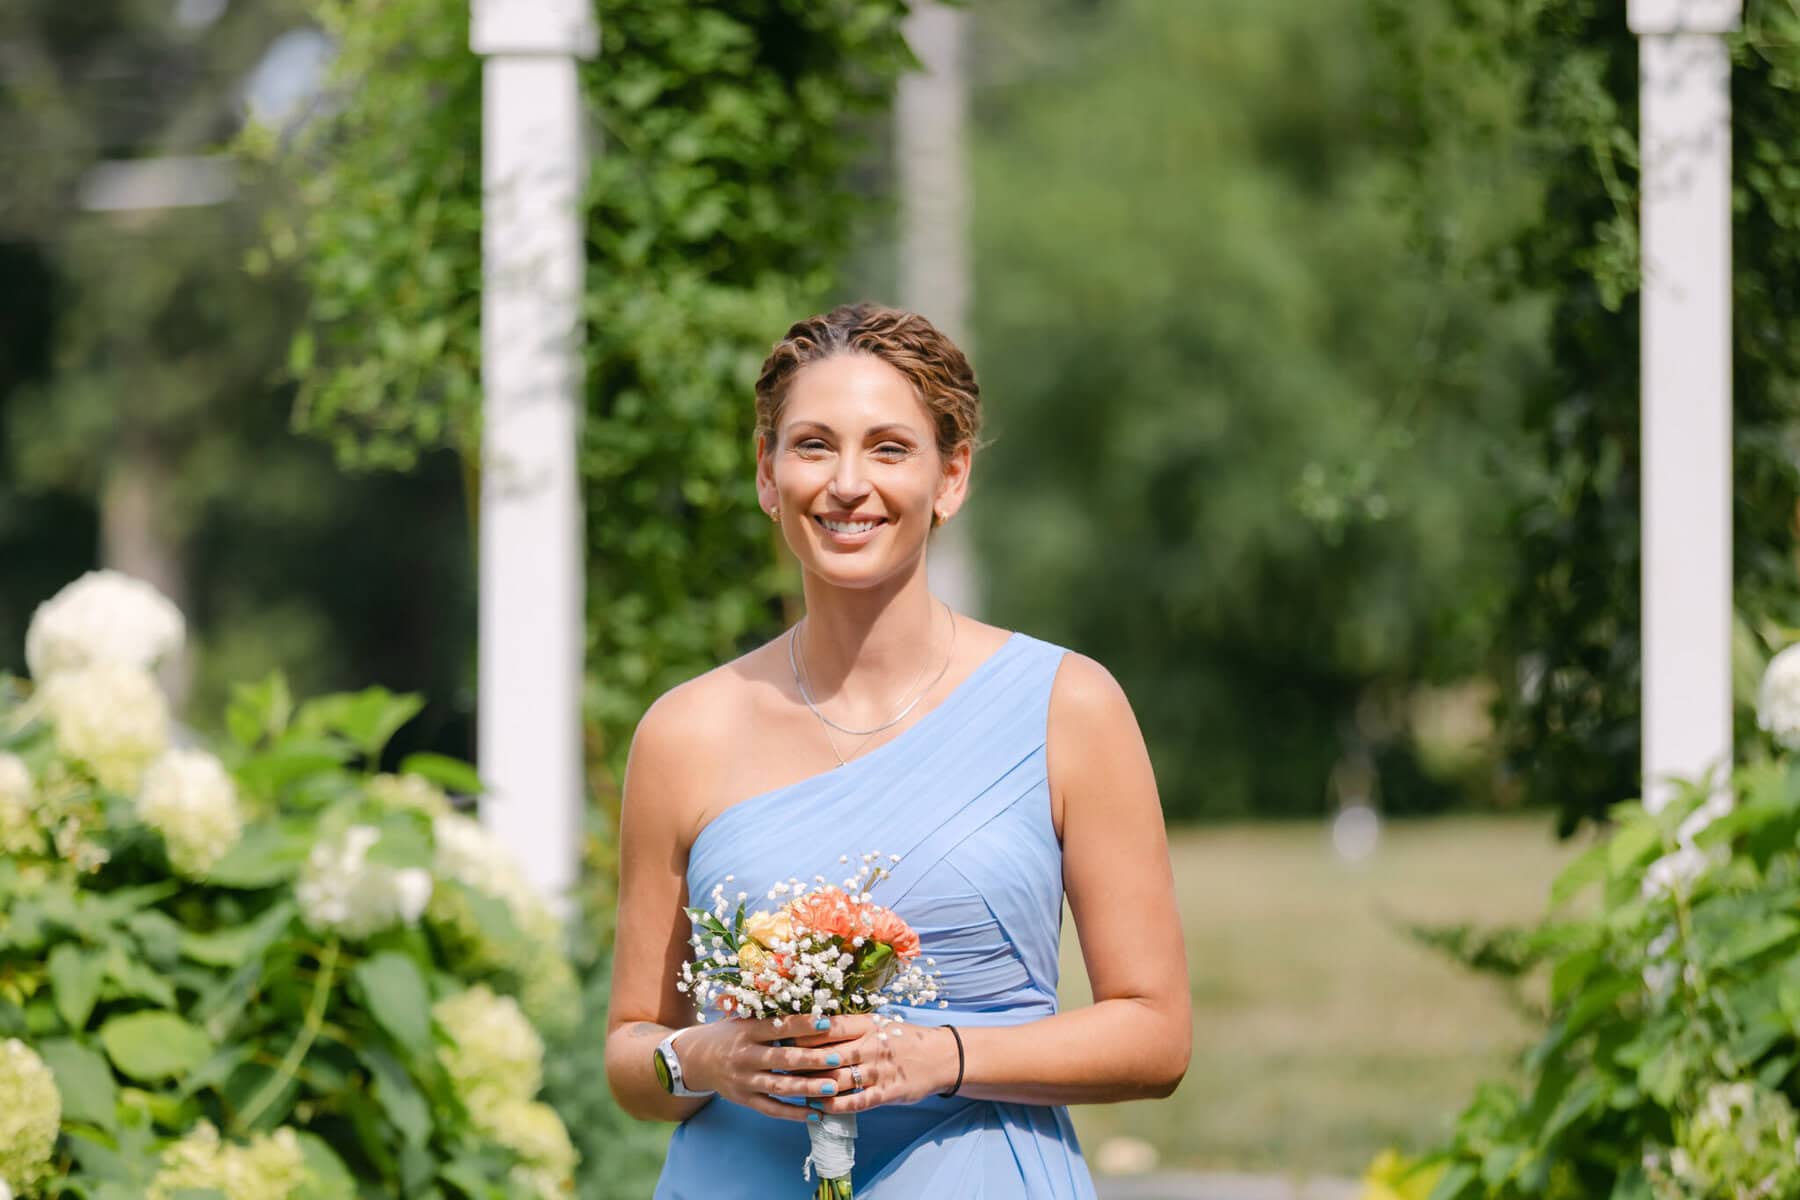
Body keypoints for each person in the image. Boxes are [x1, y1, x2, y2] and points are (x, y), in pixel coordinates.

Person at [604, 303, 1191, 1197]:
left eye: (888, 448)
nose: (847, 483)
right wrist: (705, 1059)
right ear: (766, 475)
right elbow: (630, 1051)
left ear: (950, 477)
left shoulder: (1070, 707)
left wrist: (938, 1057)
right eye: (811, 446)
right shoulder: (683, 733)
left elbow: (1155, 1036)